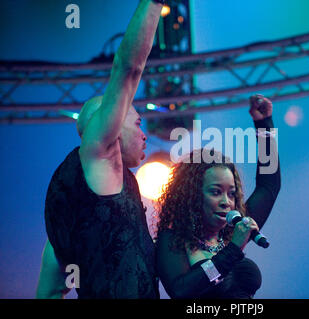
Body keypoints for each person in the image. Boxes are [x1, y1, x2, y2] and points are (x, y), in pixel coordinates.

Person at [36, 0, 165, 299]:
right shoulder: (101, 156)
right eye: (137, 122)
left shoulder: (65, 210)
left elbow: (49, 292)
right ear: (112, 125)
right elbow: (128, 68)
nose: (145, 135)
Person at [155, 94, 281, 299]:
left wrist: (264, 126)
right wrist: (232, 251)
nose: (226, 201)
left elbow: (269, 186)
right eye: (216, 192)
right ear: (193, 196)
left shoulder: (231, 233)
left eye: (232, 194)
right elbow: (181, 291)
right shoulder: (175, 240)